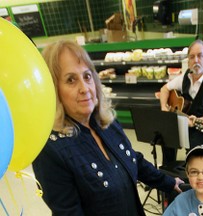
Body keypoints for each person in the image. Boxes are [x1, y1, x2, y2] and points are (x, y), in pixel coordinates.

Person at [32, 40, 184, 216]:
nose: (84, 88)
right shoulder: (51, 151)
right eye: (71, 80)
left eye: (87, 76)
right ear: (53, 89)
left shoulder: (106, 123)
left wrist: (169, 182)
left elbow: (132, 159)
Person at [159, 39, 203, 164]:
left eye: (200, 56)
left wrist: (194, 122)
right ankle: (168, 171)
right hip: (186, 121)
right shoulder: (186, 77)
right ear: (188, 61)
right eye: (192, 57)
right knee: (167, 136)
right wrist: (164, 107)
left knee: (194, 147)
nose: (196, 60)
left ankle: (191, 174)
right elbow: (164, 89)